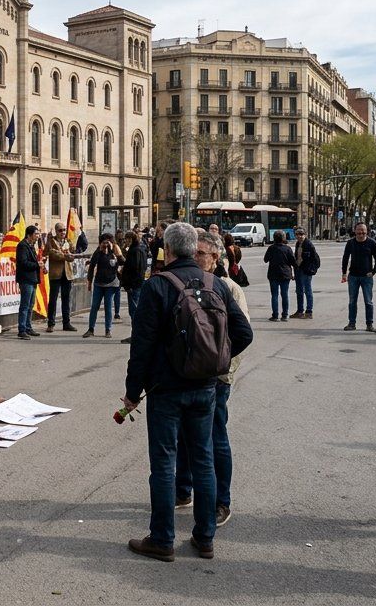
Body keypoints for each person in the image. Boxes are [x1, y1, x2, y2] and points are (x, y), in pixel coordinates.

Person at [124, 223, 254, 562]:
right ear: (193, 248)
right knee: (203, 460)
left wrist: (132, 392)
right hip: (206, 388)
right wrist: (216, 361)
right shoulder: (217, 285)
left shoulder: (157, 286)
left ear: (167, 250)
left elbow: (142, 346)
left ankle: (163, 539)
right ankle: (204, 537)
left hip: (166, 389)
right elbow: (244, 333)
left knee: (164, 463)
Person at [173, 230, 251, 528]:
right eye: (193, 253)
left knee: (214, 438)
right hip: (187, 375)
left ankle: (222, 502)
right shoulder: (186, 283)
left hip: (216, 378)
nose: (195, 258)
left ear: (215, 258)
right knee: (184, 435)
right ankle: (183, 490)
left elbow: (241, 336)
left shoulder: (229, 289)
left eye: (201, 254)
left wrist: (222, 369)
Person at [341, 223, 376, 331]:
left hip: (366, 277)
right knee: (352, 301)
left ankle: (369, 324)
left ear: (367, 231)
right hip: (353, 276)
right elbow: (345, 258)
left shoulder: (371, 242)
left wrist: (373, 272)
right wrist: (344, 273)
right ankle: (352, 323)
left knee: (368, 301)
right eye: (358, 230)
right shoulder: (350, 243)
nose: (361, 233)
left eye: (363, 230)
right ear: (354, 231)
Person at [84, 233, 124, 338]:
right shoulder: (98, 252)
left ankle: (108, 330)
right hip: (99, 283)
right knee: (94, 307)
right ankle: (91, 329)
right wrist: (89, 281)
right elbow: (92, 266)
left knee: (108, 307)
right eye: (103, 242)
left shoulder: (114, 251)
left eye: (108, 242)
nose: (106, 244)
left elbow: (123, 262)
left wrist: (118, 253)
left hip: (111, 284)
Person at [45, 222, 76, 332]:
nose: (62, 232)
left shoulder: (67, 241)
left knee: (66, 299)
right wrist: (65, 256)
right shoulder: (51, 241)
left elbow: (73, 251)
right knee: (53, 299)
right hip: (55, 273)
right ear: (56, 231)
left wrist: (71, 247)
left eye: (64, 230)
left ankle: (66, 323)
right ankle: (51, 323)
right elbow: (50, 253)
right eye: (60, 230)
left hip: (67, 273)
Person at [119, 231, 147, 342]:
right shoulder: (138, 249)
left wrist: (129, 284)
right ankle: (136, 334)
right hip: (135, 284)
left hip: (134, 285)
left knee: (134, 312)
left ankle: (136, 335)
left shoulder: (136, 251)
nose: (126, 241)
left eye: (127, 239)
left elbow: (136, 269)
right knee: (134, 311)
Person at [15, 225, 41, 340]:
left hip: (33, 279)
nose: (38, 236)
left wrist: (40, 265)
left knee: (30, 305)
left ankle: (28, 327)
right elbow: (23, 263)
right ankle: (22, 329)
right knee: (25, 306)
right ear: (29, 235)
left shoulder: (31, 246)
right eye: (36, 234)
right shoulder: (22, 246)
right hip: (26, 279)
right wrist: (37, 265)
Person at [262, 230, 294, 321]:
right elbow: (293, 261)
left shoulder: (271, 248)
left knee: (274, 295)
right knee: (285, 295)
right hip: (285, 274)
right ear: (283, 238)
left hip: (273, 274)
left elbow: (265, 259)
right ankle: (285, 315)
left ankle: (275, 315)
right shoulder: (287, 249)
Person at [290, 227, 319, 319]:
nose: (299, 236)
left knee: (307, 290)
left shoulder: (309, 244)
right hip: (298, 269)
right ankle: (300, 311)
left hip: (306, 271)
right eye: (297, 234)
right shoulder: (298, 244)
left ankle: (309, 311)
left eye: (301, 234)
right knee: (299, 291)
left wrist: (312, 270)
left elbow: (316, 259)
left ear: (305, 235)